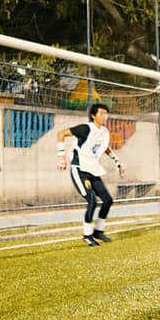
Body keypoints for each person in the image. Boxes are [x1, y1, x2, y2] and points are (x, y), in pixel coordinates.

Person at [56, 102, 124, 246]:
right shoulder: (85, 128)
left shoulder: (104, 132)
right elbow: (61, 134)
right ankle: (87, 235)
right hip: (79, 170)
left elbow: (104, 147)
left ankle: (98, 231)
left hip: (93, 170)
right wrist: (61, 156)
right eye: (101, 113)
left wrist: (116, 160)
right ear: (93, 116)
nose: (104, 116)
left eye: (106, 114)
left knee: (108, 200)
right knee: (92, 200)